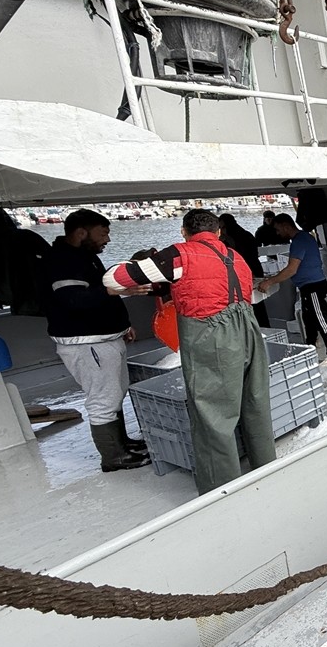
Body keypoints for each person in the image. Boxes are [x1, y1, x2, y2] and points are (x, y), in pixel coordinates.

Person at [104, 209, 276, 494]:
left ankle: (223, 490)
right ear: (219, 232)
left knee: (213, 414)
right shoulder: (236, 257)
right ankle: (267, 468)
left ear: (184, 232)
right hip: (249, 332)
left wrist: (141, 277)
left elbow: (114, 279)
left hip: (212, 337)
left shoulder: (179, 255)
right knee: (255, 404)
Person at [40, 209, 150, 473]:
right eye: (103, 233)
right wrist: (116, 289)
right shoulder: (62, 260)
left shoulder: (84, 256)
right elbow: (74, 300)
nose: (108, 239)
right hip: (86, 343)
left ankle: (123, 444)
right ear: (81, 232)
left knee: (115, 392)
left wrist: (122, 325)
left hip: (105, 337)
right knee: (103, 398)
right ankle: (113, 457)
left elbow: (98, 293)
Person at [257, 214, 327, 365]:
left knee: (320, 319)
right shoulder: (303, 238)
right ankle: (310, 350)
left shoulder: (300, 241)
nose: (277, 233)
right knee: (309, 320)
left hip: (313, 285)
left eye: (277, 229)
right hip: (307, 286)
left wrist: (270, 281)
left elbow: (291, 269)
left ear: (285, 226)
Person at [219, 213, 269, 327]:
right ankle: (262, 326)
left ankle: (257, 327)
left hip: (248, 272)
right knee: (256, 304)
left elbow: (242, 255)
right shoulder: (245, 235)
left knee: (252, 304)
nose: (221, 230)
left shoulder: (236, 238)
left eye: (223, 227)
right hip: (251, 271)